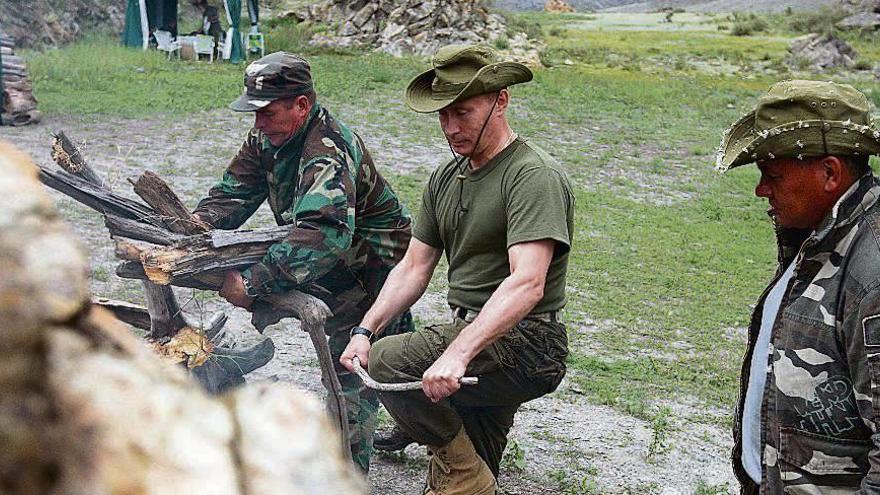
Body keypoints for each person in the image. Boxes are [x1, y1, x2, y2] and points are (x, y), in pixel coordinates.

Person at [340, 44, 574, 494]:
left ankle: (461, 472)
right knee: (475, 471)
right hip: (477, 339)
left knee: (390, 363)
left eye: (463, 113)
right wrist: (364, 331)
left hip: (527, 343)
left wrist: (458, 352)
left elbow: (527, 283)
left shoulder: (532, 175)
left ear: (500, 101)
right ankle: (465, 475)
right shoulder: (446, 178)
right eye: (443, 116)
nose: (451, 128)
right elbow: (414, 265)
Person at [191, 51, 414, 473]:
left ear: (302, 105)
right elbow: (232, 194)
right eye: (254, 112)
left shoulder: (324, 149)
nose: (257, 123)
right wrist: (195, 230)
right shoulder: (270, 137)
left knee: (354, 370)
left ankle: (350, 475)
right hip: (335, 261)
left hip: (374, 270)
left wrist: (254, 284)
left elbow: (323, 234)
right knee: (397, 355)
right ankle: (419, 420)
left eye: (267, 112)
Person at [717, 80, 880, 493]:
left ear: (829, 172)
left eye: (773, 175)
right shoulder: (819, 237)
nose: (761, 190)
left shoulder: (871, 270)